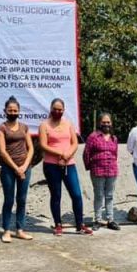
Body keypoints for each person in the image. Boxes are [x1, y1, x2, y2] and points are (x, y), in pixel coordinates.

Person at [38, 98, 93, 236]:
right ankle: (58, 224)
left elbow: (74, 143)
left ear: (64, 110)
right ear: (51, 109)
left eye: (60, 109)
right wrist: (61, 154)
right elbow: (43, 145)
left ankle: (80, 224)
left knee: (76, 194)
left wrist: (67, 156)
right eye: (55, 109)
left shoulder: (68, 124)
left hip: (69, 164)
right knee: (56, 195)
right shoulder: (44, 125)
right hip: (51, 165)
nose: (58, 111)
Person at [0, 96, 34, 243]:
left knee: (22, 199)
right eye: (10, 110)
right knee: (9, 200)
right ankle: (6, 230)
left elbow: (30, 148)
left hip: (25, 168)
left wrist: (24, 167)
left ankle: (20, 229)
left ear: (19, 111)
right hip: (8, 169)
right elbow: (2, 151)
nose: (12, 112)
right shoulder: (1, 128)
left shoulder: (24, 127)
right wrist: (16, 168)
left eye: (15, 110)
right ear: (5, 111)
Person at [82, 113, 120, 231]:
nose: (106, 124)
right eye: (104, 122)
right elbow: (86, 153)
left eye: (108, 122)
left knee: (109, 196)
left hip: (111, 171)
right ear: (99, 123)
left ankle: (110, 219)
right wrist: (90, 167)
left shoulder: (114, 138)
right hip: (97, 171)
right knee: (99, 195)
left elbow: (115, 154)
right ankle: (97, 219)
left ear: (111, 123)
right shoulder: (93, 137)